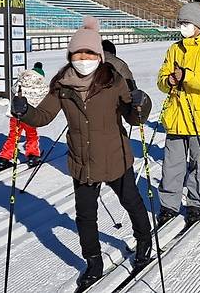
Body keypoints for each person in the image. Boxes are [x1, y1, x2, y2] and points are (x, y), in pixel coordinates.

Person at [10, 17, 153, 290]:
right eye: (78, 53)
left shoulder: (114, 80)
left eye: (88, 52)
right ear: (70, 55)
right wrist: (24, 110)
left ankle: (144, 240)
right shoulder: (61, 85)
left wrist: (140, 102)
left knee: (131, 202)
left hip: (115, 156)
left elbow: (135, 118)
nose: (83, 58)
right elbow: (43, 116)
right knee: (85, 215)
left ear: (98, 55)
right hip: (82, 161)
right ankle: (94, 261)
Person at [155, 3, 200, 228]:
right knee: (171, 165)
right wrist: (169, 81)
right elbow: (161, 79)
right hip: (176, 117)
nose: (182, 27)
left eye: (186, 23)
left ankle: (197, 203)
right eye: (180, 23)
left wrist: (187, 75)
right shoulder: (174, 49)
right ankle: (169, 204)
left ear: (198, 23)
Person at [0, 62, 49, 171]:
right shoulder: (43, 85)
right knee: (31, 135)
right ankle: (32, 156)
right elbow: (47, 97)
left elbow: (13, 89)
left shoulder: (22, 80)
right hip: (30, 115)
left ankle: (4, 158)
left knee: (13, 136)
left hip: (15, 114)